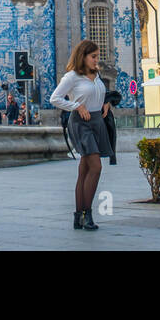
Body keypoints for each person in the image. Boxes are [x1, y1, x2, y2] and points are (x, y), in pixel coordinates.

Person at [49, 39, 112, 231]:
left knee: (85, 170)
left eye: (97, 57)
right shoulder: (72, 77)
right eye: (93, 57)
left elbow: (97, 93)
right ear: (82, 57)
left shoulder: (96, 75)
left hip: (96, 122)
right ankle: (87, 214)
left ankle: (78, 216)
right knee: (96, 167)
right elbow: (55, 98)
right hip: (81, 123)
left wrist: (105, 101)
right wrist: (76, 105)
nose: (96, 60)